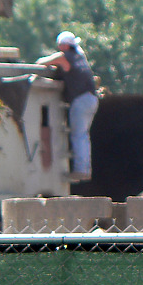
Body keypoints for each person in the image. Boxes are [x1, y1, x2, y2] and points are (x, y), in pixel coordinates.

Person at [37, 31, 99, 182]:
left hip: (80, 100)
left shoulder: (65, 57)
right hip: (91, 99)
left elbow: (47, 61)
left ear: (64, 45)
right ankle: (85, 168)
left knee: (78, 135)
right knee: (83, 135)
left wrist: (43, 62)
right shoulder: (80, 57)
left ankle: (81, 170)